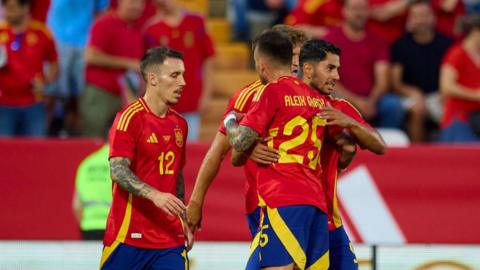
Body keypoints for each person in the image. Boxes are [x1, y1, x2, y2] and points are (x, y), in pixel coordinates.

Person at [186, 24, 308, 238]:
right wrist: (196, 202)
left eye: (299, 55)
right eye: (292, 55)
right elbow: (220, 152)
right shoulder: (248, 96)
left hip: (309, 200)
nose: (296, 62)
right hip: (264, 201)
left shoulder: (311, 96)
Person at [224, 30, 333, 270]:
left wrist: (231, 120)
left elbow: (239, 143)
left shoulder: (272, 91)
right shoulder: (317, 97)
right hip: (315, 199)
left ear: (262, 66)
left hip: (283, 196)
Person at [99, 47, 193, 269]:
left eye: (183, 75)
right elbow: (118, 170)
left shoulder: (180, 124)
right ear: (152, 78)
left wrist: (184, 221)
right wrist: (155, 195)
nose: (183, 83)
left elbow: (176, 176)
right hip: (129, 236)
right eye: (174, 75)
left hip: (170, 238)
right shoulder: (129, 118)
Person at [299, 38, 386, 269]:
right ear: (307, 69)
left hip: (329, 219)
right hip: (293, 215)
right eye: (330, 68)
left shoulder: (339, 108)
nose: (337, 76)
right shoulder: (283, 101)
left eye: (338, 69)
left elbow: (379, 145)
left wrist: (350, 124)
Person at [324, 0, 405, 129]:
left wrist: (371, 102)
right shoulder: (330, 40)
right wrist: (356, 102)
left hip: (373, 99)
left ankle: (388, 146)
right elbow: (327, 80)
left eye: (363, 9)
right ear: (344, 11)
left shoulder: (378, 41)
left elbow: (382, 80)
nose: (359, 13)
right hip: (340, 98)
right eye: (354, 9)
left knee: (393, 104)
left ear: (368, 11)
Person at [144, 0, 215, 141]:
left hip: (190, 101)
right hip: (161, 105)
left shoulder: (196, 22)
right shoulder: (151, 29)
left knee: (187, 151)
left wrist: (207, 94)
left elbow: (209, 59)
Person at [80, 0, 145, 138]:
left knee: (120, 142)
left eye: (140, 3)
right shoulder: (105, 23)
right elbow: (91, 56)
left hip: (125, 96)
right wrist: (128, 63)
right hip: (101, 94)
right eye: (132, 2)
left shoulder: (137, 29)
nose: (137, 6)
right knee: (93, 139)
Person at [391, 0, 453, 142]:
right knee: (417, 109)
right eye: (417, 16)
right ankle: (418, 155)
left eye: (425, 15)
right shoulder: (400, 45)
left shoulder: (446, 44)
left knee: (450, 112)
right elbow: (395, 82)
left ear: (433, 17)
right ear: (410, 19)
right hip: (409, 95)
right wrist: (413, 92)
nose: (421, 20)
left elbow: (451, 74)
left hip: (439, 94)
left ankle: (450, 155)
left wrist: (444, 95)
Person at [47, 0, 109, 135]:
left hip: (84, 41)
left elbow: (102, 11)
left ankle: (76, 134)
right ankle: (47, 132)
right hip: (56, 38)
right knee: (53, 89)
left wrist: (96, 37)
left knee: (82, 93)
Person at [0, 0, 58, 137]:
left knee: (36, 150)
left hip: (33, 104)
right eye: (5, 8)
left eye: (12, 8)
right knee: (4, 152)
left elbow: (54, 63)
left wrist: (46, 82)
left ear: (25, 8)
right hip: (4, 104)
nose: (7, 13)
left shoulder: (42, 32)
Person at [439, 14, 480, 143]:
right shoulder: (457, 54)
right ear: (475, 32)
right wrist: (475, 94)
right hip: (459, 118)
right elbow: (446, 87)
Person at [73, 144, 112, 240]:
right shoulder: (122, 165)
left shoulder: (87, 164)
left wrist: (85, 224)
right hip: (114, 227)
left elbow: (76, 205)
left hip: (88, 227)